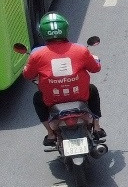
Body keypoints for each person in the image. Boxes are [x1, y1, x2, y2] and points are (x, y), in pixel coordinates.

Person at [22, 13, 105, 147]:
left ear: (42, 33)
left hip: (52, 99)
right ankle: (96, 127)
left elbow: (28, 75)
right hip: (80, 95)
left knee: (37, 98)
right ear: (65, 29)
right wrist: (96, 59)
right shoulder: (81, 50)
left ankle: (50, 134)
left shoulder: (36, 55)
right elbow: (95, 68)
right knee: (93, 90)